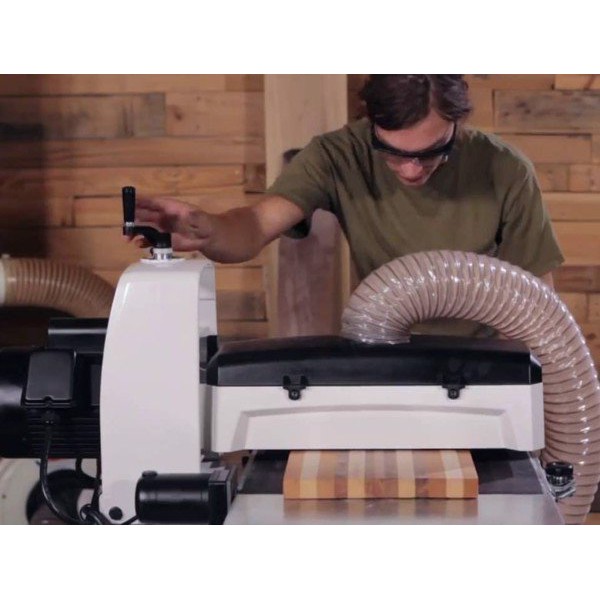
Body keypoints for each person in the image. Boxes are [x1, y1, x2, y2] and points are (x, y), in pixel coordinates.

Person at [129, 74, 564, 337]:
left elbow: (538, 309)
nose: (411, 170)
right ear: (371, 123)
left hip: (482, 365)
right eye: (393, 153)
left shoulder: (506, 170)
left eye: (431, 152)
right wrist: (207, 229)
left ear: (457, 123)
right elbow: (256, 225)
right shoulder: (339, 155)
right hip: (383, 346)